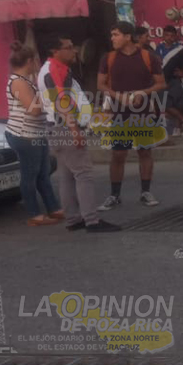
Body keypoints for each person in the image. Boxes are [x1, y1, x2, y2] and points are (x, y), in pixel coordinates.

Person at [39, 35, 120, 232]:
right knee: (83, 174)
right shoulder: (53, 70)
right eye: (68, 47)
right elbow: (61, 101)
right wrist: (74, 129)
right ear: (55, 51)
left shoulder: (52, 69)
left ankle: (74, 219)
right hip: (65, 128)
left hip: (58, 129)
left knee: (67, 176)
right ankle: (92, 220)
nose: (74, 50)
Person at [97, 21, 166, 210]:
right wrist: (119, 96)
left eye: (116, 35)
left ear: (128, 37)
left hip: (143, 114)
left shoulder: (147, 57)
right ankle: (114, 195)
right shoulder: (108, 58)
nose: (113, 39)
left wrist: (142, 93)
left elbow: (161, 83)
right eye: (112, 35)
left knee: (144, 151)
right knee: (118, 154)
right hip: (119, 115)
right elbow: (101, 85)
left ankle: (145, 192)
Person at [4, 42, 63, 226]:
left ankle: (53, 208)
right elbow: (34, 110)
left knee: (42, 173)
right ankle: (34, 214)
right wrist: (49, 99)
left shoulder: (27, 80)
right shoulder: (19, 82)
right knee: (30, 175)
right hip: (25, 135)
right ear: (29, 61)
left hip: (36, 133)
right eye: (35, 60)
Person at [157, 25, 183, 137]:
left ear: (175, 36)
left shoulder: (180, 49)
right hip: (161, 82)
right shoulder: (158, 48)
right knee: (164, 104)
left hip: (175, 81)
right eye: (167, 35)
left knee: (177, 104)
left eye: (172, 35)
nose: (169, 38)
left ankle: (179, 128)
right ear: (163, 35)